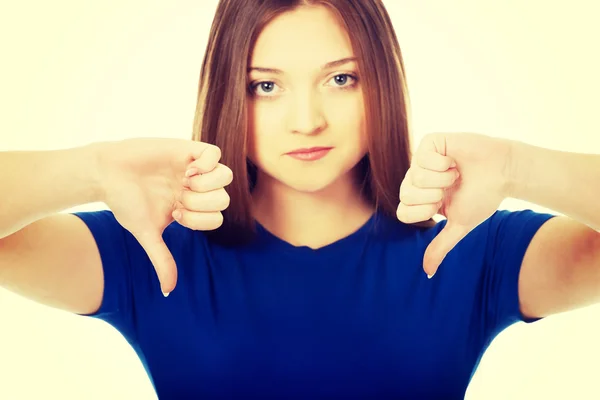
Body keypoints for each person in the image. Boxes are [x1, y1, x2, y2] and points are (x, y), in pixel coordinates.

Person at [1, 0, 599, 398]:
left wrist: (522, 166)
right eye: (266, 86)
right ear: (229, 95)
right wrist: (93, 169)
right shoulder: (150, 251)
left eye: (341, 79)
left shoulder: (472, 248)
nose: (306, 121)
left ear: (380, 82)